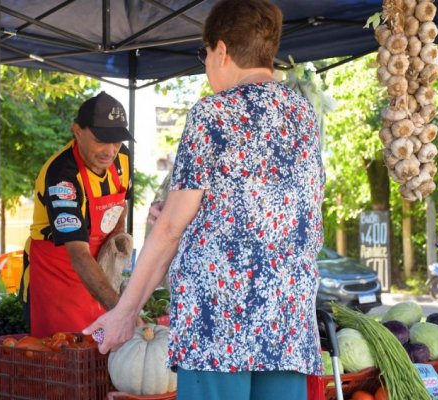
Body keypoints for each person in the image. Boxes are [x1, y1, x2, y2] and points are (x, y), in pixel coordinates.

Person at [83, 1, 326, 399]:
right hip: (286, 323)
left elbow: (170, 229)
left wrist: (124, 313)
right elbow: (278, 211)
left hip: (219, 324)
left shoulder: (213, 114)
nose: (207, 64)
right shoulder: (302, 115)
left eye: (205, 54)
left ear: (222, 51)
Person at [21, 91, 133, 338]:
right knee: (64, 355)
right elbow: (79, 255)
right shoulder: (62, 175)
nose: (110, 150)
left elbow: (120, 204)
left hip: (98, 273)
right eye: (101, 139)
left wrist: (115, 245)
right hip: (57, 275)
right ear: (77, 131)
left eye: (116, 141)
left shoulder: (123, 157)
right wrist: (121, 310)